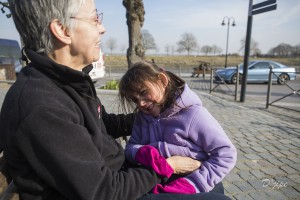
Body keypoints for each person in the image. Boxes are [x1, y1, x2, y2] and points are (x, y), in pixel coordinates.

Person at [0, 0, 233, 200]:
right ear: (62, 30)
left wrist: (160, 114)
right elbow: (103, 192)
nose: (102, 28)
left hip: (118, 174)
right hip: (114, 189)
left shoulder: (68, 83)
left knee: (215, 184)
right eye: (94, 19)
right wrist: (166, 167)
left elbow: (102, 123)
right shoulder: (43, 106)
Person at [119, 61, 237, 194]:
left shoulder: (194, 114)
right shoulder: (142, 118)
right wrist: (142, 153)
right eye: (135, 100)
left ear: (162, 80)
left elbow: (226, 154)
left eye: (144, 92)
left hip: (189, 181)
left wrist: (194, 184)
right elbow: (130, 148)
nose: (141, 103)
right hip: (155, 178)